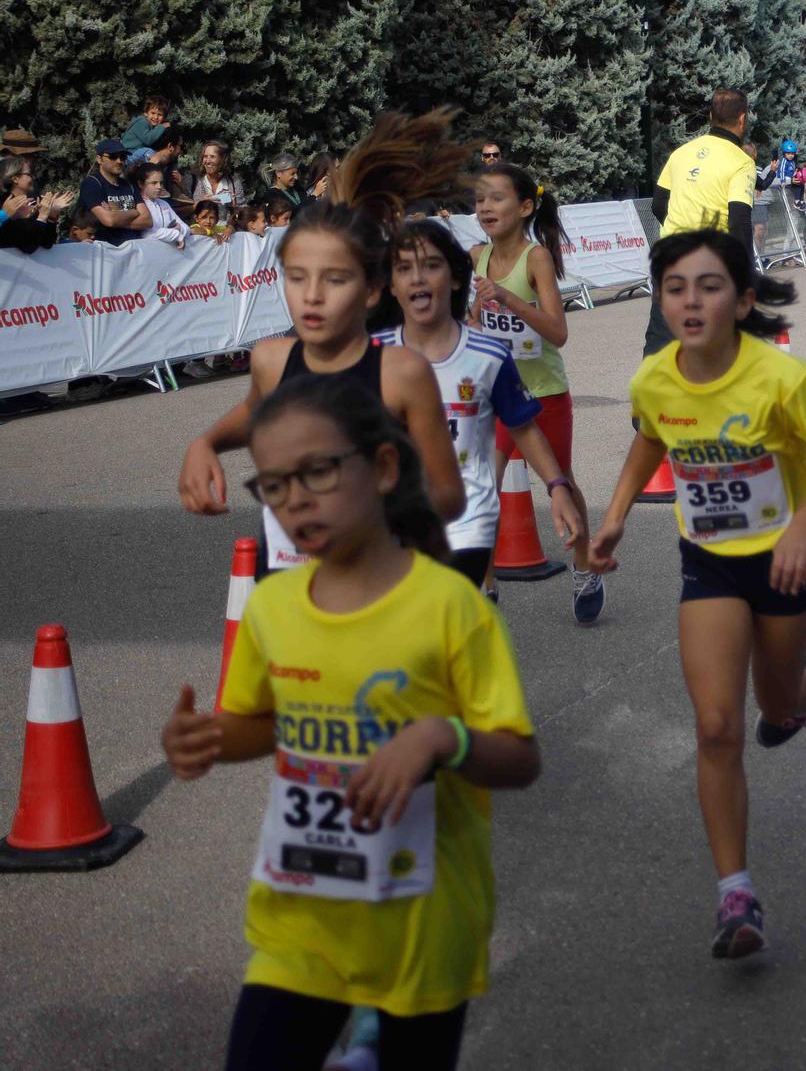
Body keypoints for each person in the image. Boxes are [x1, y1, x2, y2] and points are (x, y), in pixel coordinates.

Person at [160, 373, 539, 1071]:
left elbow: (519, 757)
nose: (295, 498)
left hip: (422, 928)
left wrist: (439, 737)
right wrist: (212, 736)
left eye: (317, 471)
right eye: (273, 483)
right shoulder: (273, 609)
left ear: (384, 467)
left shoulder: (451, 607)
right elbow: (261, 724)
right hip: (301, 920)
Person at [589, 230, 806, 961]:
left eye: (709, 286)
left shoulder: (781, 377)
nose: (690, 300)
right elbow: (652, 435)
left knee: (775, 707)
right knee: (716, 725)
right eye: (675, 287)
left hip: (786, 563)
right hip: (707, 560)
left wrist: (804, 524)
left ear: (742, 300)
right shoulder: (654, 377)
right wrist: (612, 518)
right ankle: (734, 891)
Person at [177, 111, 468, 578]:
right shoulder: (273, 358)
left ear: (371, 289)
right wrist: (205, 443)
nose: (311, 295)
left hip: (373, 584)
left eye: (334, 279)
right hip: (287, 585)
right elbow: (258, 410)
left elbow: (450, 496)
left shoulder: (401, 374)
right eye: (296, 278)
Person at [380, 218, 585, 589]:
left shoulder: (488, 356)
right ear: (390, 284)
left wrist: (556, 487)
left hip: (463, 524)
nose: (418, 279)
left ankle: (487, 592)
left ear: (456, 278)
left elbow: (523, 425)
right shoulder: (370, 356)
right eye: (404, 269)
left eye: (431, 266)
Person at [467, 162, 600, 623]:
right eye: (480, 198)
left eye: (496, 198)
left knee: (560, 481)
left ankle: (585, 566)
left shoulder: (536, 257)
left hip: (543, 392)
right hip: (497, 395)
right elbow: (476, 322)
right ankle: (483, 586)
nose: (485, 206)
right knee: (482, 488)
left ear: (525, 207)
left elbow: (557, 331)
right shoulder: (476, 255)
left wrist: (509, 300)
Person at [647, 91, 756, 356]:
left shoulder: (681, 153)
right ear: (742, 119)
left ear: (710, 116)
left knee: (661, 338)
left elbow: (658, 204)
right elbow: (739, 219)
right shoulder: (741, 162)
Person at [77, 138, 150, 245]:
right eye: (113, 156)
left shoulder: (129, 185)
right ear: (99, 159)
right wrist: (134, 212)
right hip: (107, 251)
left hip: (134, 249)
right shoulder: (93, 184)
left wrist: (116, 217)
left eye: (122, 157)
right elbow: (109, 220)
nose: (119, 161)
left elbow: (147, 221)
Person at [137, 163, 191, 248]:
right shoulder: (139, 205)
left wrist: (180, 229)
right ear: (140, 184)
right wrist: (176, 234)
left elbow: (186, 228)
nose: (159, 187)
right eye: (154, 183)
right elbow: (148, 235)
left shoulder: (164, 203)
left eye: (161, 183)